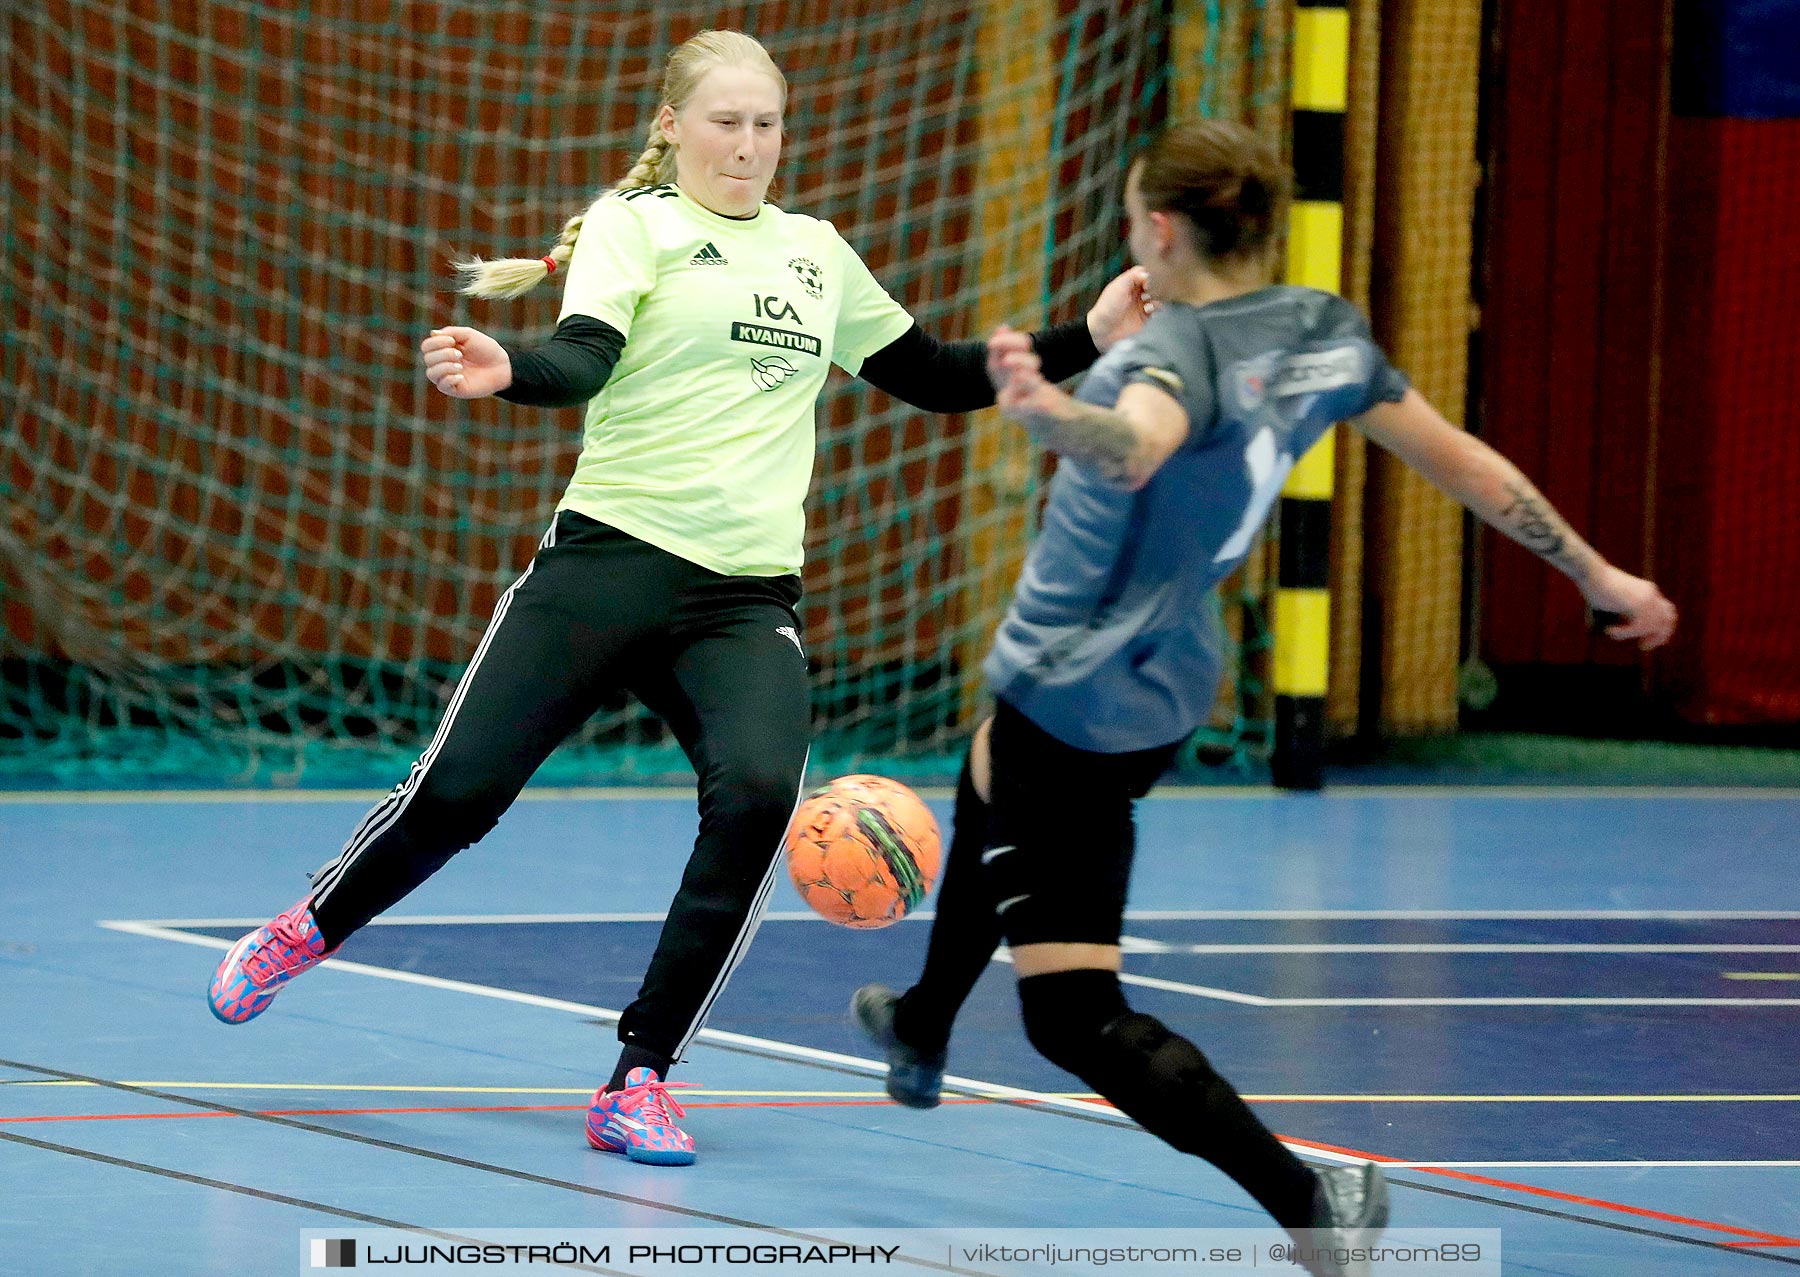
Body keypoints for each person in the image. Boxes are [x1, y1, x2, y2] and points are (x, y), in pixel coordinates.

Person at [205, 29, 1152, 1168]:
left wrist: (1090, 336)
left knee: (757, 795)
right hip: (607, 563)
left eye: (765, 125)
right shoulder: (633, 226)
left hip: (740, 601)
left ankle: (640, 1074)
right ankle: (307, 929)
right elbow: (584, 355)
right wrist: (511, 370)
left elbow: (939, 378)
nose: (747, 147)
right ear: (672, 127)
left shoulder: (816, 252)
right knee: (459, 792)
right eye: (725, 122)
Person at [851, 118, 1676, 1275]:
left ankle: (1311, 1197)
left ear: (1159, 228)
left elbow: (1134, 443)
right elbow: (1464, 463)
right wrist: (1598, 573)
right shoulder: (1320, 332)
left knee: (1071, 1010)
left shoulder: (1162, 361)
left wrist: (1049, 410)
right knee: (987, 772)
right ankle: (924, 1027)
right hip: (1173, 670)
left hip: (1076, 691)